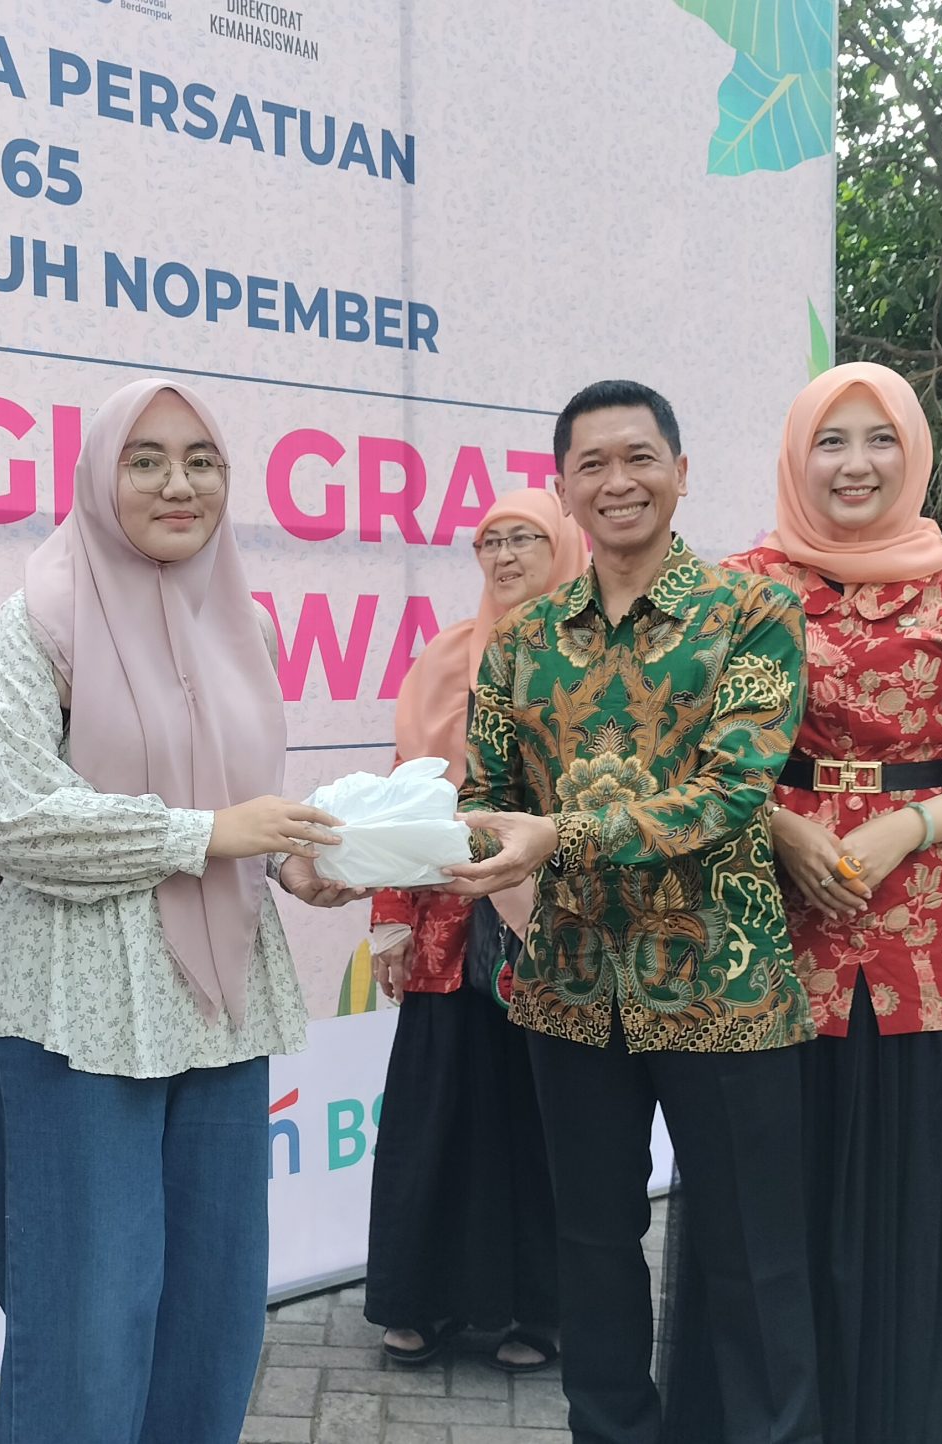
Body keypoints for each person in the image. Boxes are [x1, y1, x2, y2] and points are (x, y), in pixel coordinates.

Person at [0, 377, 367, 1442]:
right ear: (101, 476)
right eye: (144, 460)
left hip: (217, 1001)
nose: (177, 484)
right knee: (89, 1319)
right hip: (75, 1005)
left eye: (202, 460)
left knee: (213, 1306)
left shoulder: (244, 623)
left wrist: (291, 863)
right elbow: (14, 817)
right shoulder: (37, 620)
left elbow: (236, 804)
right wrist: (208, 835)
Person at [449, 379, 822, 1444]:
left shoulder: (754, 611)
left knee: (754, 1258)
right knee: (592, 1251)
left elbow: (731, 791)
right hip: (568, 986)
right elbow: (484, 797)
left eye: (639, 457)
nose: (618, 482)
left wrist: (556, 835)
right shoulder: (522, 641)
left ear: (680, 473)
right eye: (593, 465)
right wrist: (380, 855)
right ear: (564, 488)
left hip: (725, 983)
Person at [725, 361, 942, 1444]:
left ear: (912, 454)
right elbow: (700, 752)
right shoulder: (745, 584)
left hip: (925, 936)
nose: (855, 464)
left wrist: (907, 826)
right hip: (775, 923)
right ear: (797, 456)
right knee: (775, 1199)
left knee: (909, 1202)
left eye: (879, 440)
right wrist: (785, 828)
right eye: (831, 441)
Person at [364, 488, 585, 1373]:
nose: (505, 555)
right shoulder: (447, 658)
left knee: (542, 1123)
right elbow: (402, 794)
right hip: (449, 931)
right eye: (490, 541)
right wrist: (389, 918)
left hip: (560, 932)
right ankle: (425, 1302)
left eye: (525, 538)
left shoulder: (594, 657)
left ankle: (540, 1313)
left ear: (563, 547)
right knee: (438, 1118)